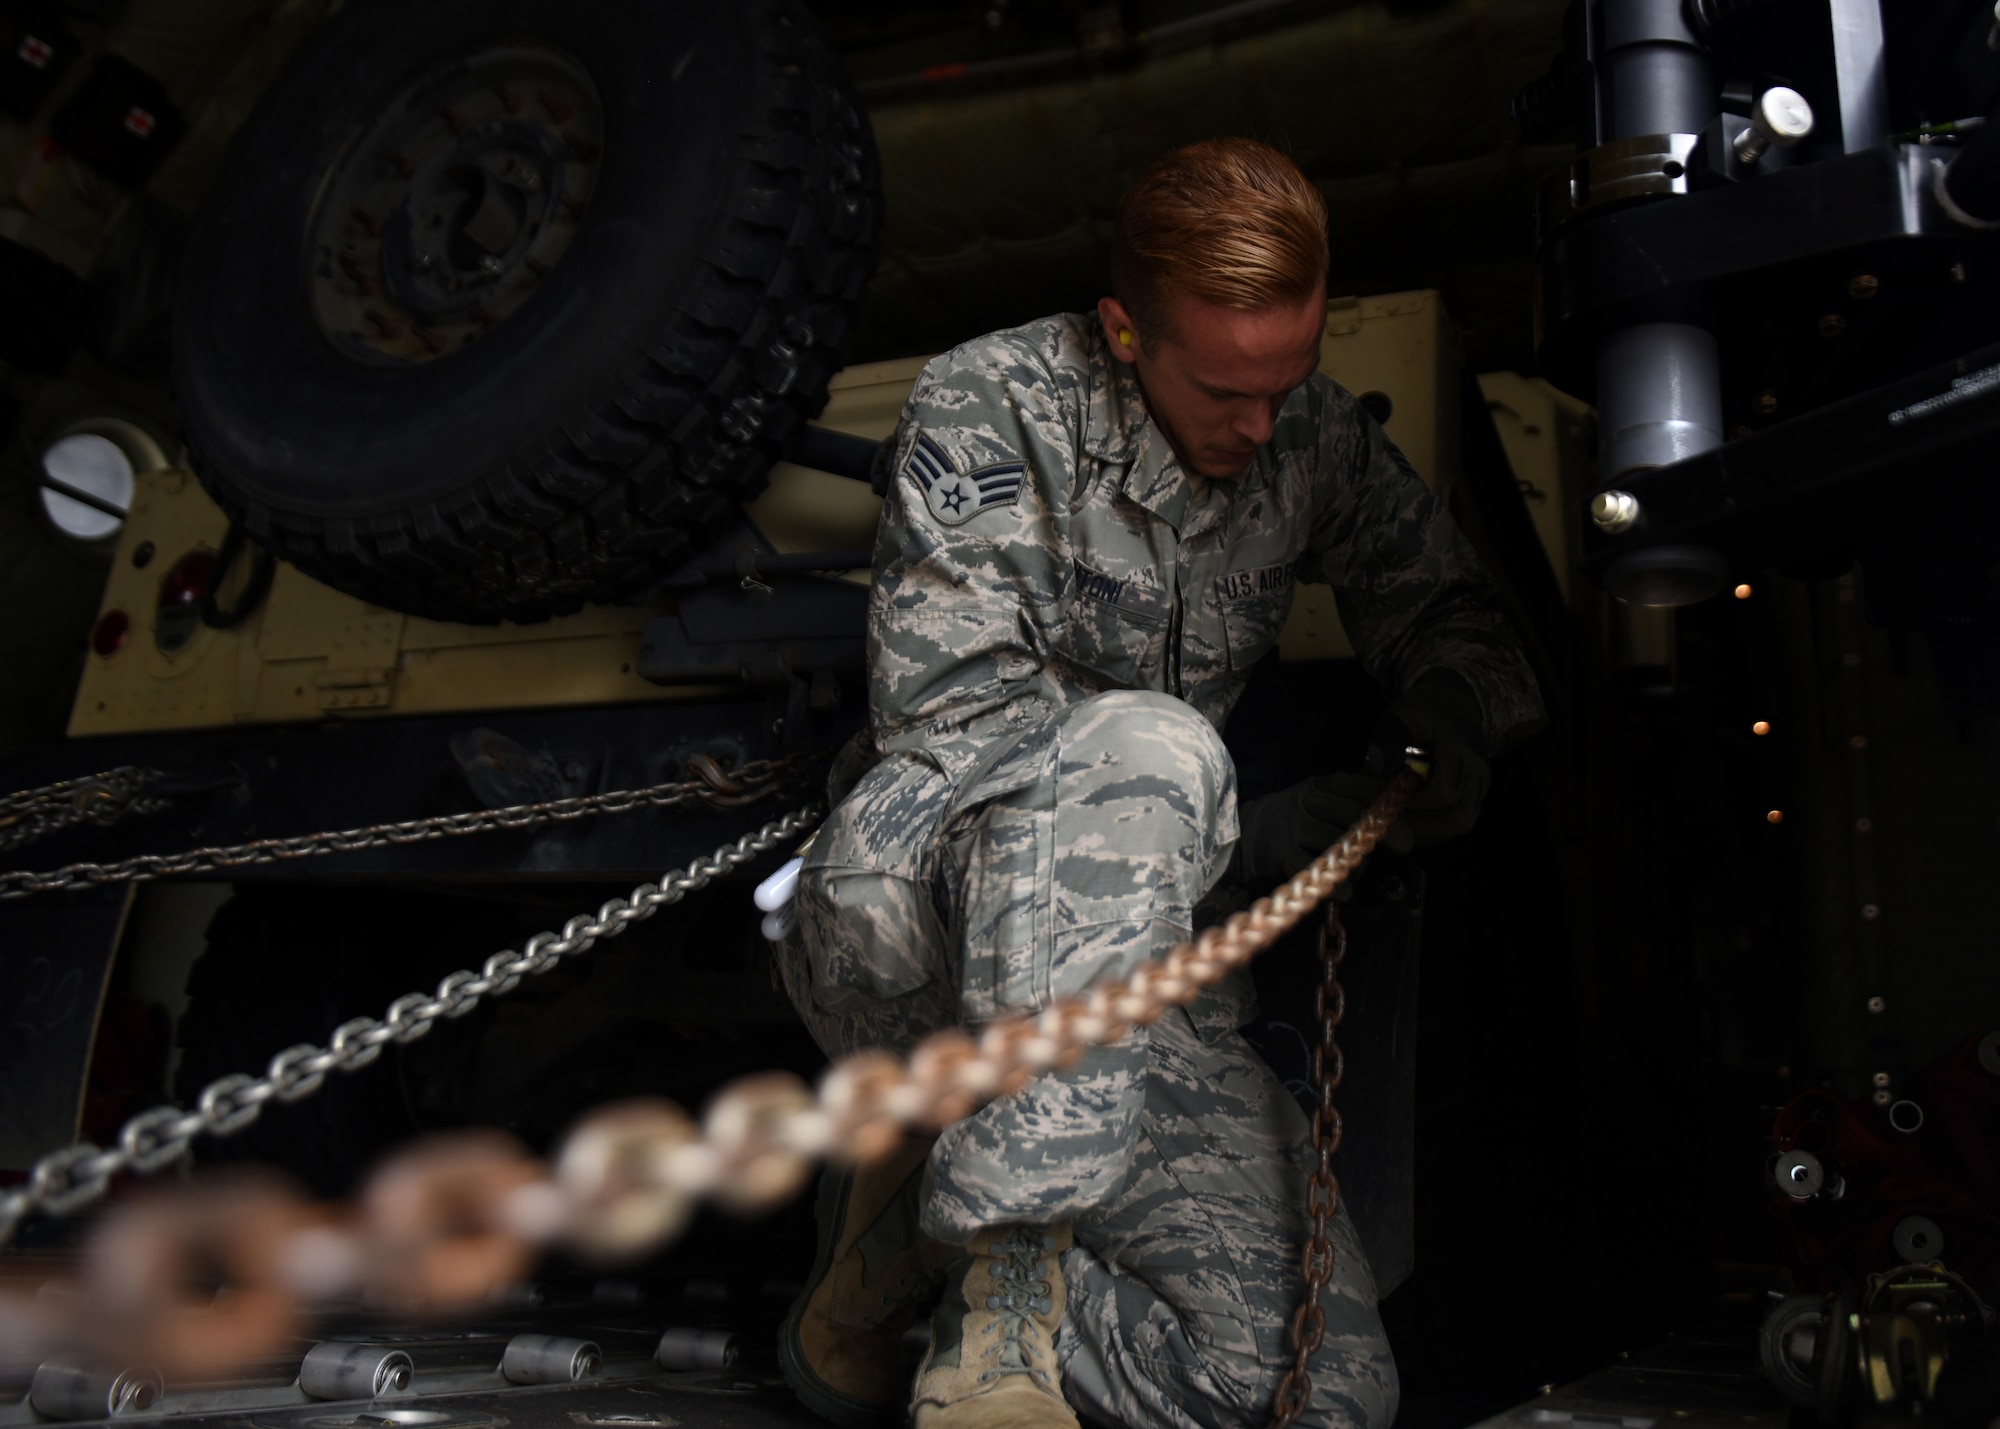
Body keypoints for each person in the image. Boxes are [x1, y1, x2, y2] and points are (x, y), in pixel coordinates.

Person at [771, 137, 1543, 1429]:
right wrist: (1196, 797)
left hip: (1130, 979)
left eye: (1286, 382)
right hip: (923, 941)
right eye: (1226, 390)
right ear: (1125, 332)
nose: (1261, 423)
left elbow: (1456, 614)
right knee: (1155, 749)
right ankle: (999, 1305)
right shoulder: (995, 403)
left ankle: (906, 1239)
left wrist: (1446, 716)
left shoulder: (1299, 437)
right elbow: (956, 729)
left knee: (1319, 1390)